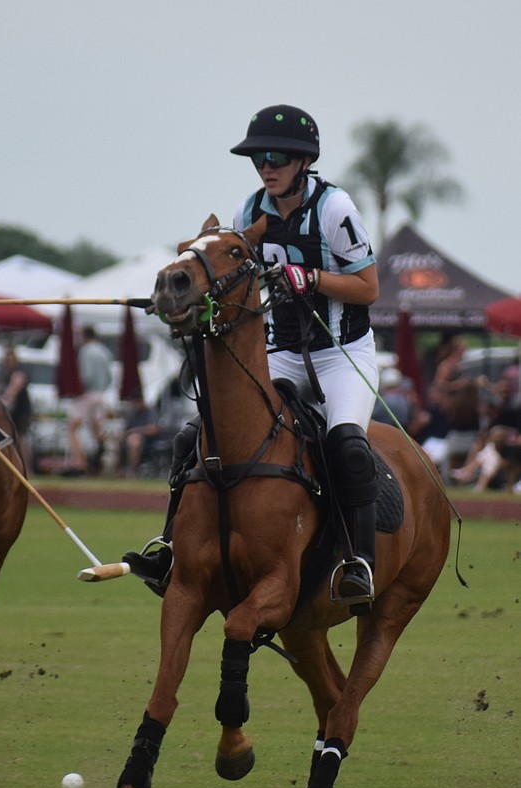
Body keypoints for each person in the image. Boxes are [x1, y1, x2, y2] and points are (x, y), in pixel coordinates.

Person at [124, 104, 381, 608]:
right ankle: (169, 549)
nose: (267, 165)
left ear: (303, 161)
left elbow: (369, 287)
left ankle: (358, 562)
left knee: (347, 446)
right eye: (259, 157)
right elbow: (228, 289)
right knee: (193, 436)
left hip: (341, 353)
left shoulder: (334, 210)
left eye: (278, 157)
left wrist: (312, 279)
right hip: (279, 351)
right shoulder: (249, 213)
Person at [65, 325, 112, 474]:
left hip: (87, 394)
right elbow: (109, 377)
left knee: (72, 428)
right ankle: (100, 462)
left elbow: (86, 375)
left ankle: (80, 461)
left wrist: (77, 388)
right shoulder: (104, 351)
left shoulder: (86, 351)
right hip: (100, 394)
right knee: (96, 429)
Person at [0, 346, 33, 472]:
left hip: (20, 411)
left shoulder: (18, 372)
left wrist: (3, 400)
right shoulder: (4, 372)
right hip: (11, 411)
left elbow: (13, 388)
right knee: (12, 438)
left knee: (21, 439)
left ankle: (26, 467)